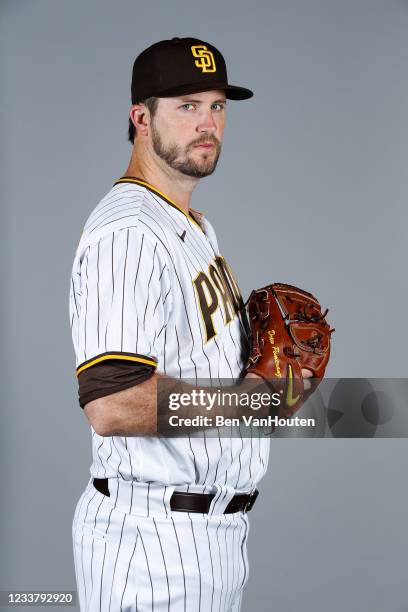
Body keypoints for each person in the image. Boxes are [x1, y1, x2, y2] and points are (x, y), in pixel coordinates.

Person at [69, 36, 311, 612]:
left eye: (217, 106)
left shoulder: (192, 225)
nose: (208, 123)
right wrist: (250, 404)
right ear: (141, 118)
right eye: (186, 106)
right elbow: (111, 404)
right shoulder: (128, 232)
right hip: (150, 544)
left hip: (212, 536)